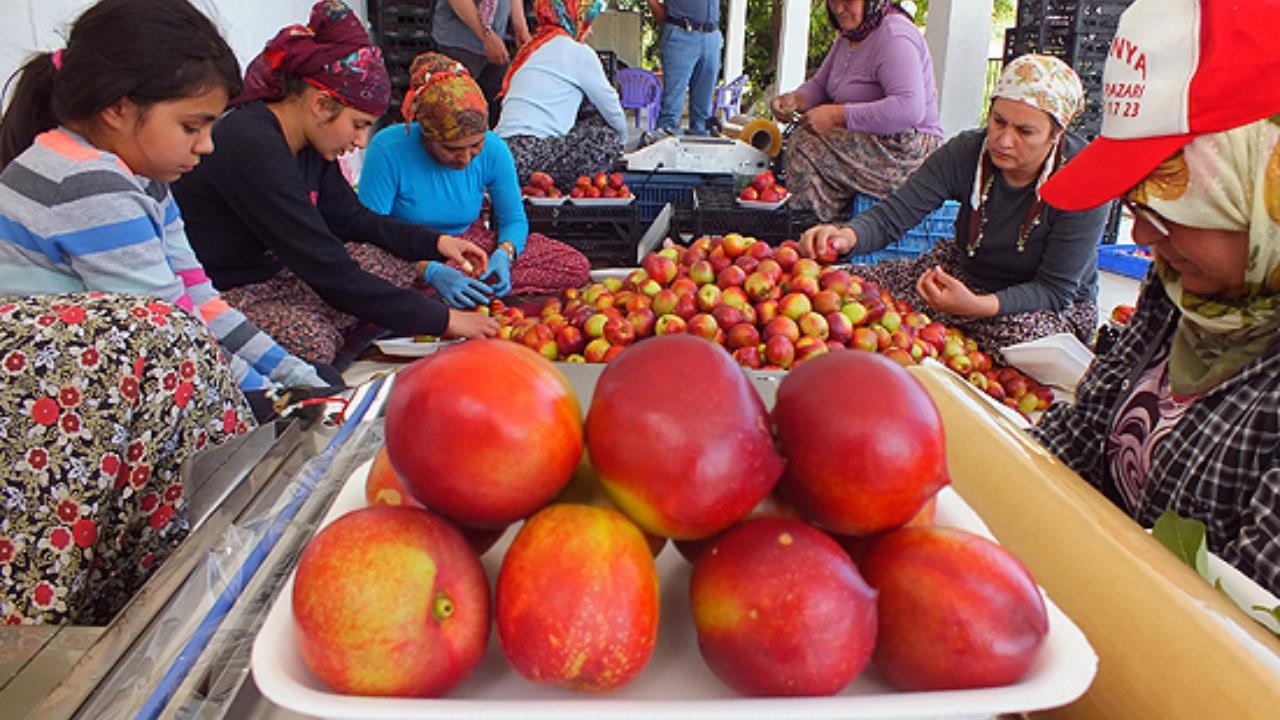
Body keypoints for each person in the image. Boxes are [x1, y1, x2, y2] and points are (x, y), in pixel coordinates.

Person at [0, 0, 258, 625]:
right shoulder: (88, 185)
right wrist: (263, 407)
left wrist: (300, 381)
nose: (208, 145)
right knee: (175, 358)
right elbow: (170, 325)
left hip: (88, 383)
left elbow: (200, 295)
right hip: (44, 410)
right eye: (194, 125)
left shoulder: (141, 181)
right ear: (118, 108)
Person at [1033, 0, 1280, 597]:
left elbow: (1243, 630)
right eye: (1137, 208)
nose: (1142, 237)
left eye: (1170, 208)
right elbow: (1085, 431)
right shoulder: (1181, 288)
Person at [174, 1, 500, 366]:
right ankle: (329, 335)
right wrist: (446, 321)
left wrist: (437, 243)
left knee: (391, 260)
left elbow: (353, 219)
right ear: (320, 104)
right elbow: (326, 266)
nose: (361, 142)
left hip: (283, 279)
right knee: (310, 338)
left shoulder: (309, 143)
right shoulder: (251, 143)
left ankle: (340, 327)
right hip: (228, 293)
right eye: (359, 124)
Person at [799, 54, 1110, 354]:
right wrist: (845, 236)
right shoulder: (968, 152)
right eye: (998, 121)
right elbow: (894, 215)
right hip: (965, 277)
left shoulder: (1087, 180)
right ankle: (950, 327)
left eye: (1024, 131)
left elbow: (1053, 291)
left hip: (1040, 309)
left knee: (1026, 341)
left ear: (1057, 133)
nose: (1003, 140)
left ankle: (954, 326)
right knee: (844, 288)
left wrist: (977, 307)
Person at [358, 52, 591, 302]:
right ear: (427, 135)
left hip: (472, 248)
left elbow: (513, 219)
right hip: (407, 251)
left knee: (573, 265)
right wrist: (427, 270)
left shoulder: (494, 148)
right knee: (370, 276)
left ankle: (463, 293)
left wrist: (505, 253)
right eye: (452, 149)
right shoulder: (388, 149)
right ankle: (449, 294)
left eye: (475, 145)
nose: (466, 158)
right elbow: (367, 237)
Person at [771, 0, 943, 221]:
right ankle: (825, 227)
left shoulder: (895, 35)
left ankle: (813, 229)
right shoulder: (848, 38)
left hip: (909, 150)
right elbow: (821, 85)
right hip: (875, 142)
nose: (839, 9)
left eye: (848, 0)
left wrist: (838, 115)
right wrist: (795, 99)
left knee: (807, 144)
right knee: (804, 137)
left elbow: (909, 108)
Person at [495, 0, 628, 189]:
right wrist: (621, 144)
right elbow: (611, 107)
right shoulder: (577, 52)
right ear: (575, 19)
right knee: (607, 137)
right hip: (529, 154)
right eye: (587, 23)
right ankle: (563, 189)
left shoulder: (530, 50)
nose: (590, 31)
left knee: (591, 123)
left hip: (501, 151)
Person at [432, 0, 532, 127]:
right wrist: (486, 36)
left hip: (495, 45)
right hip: (459, 45)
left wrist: (521, 27)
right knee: (456, 115)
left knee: (496, 110)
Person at [646, 0, 723, 136]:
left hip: (711, 34)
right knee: (671, 111)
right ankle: (664, 151)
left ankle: (699, 152)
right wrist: (657, 9)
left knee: (703, 117)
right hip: (681, 31)